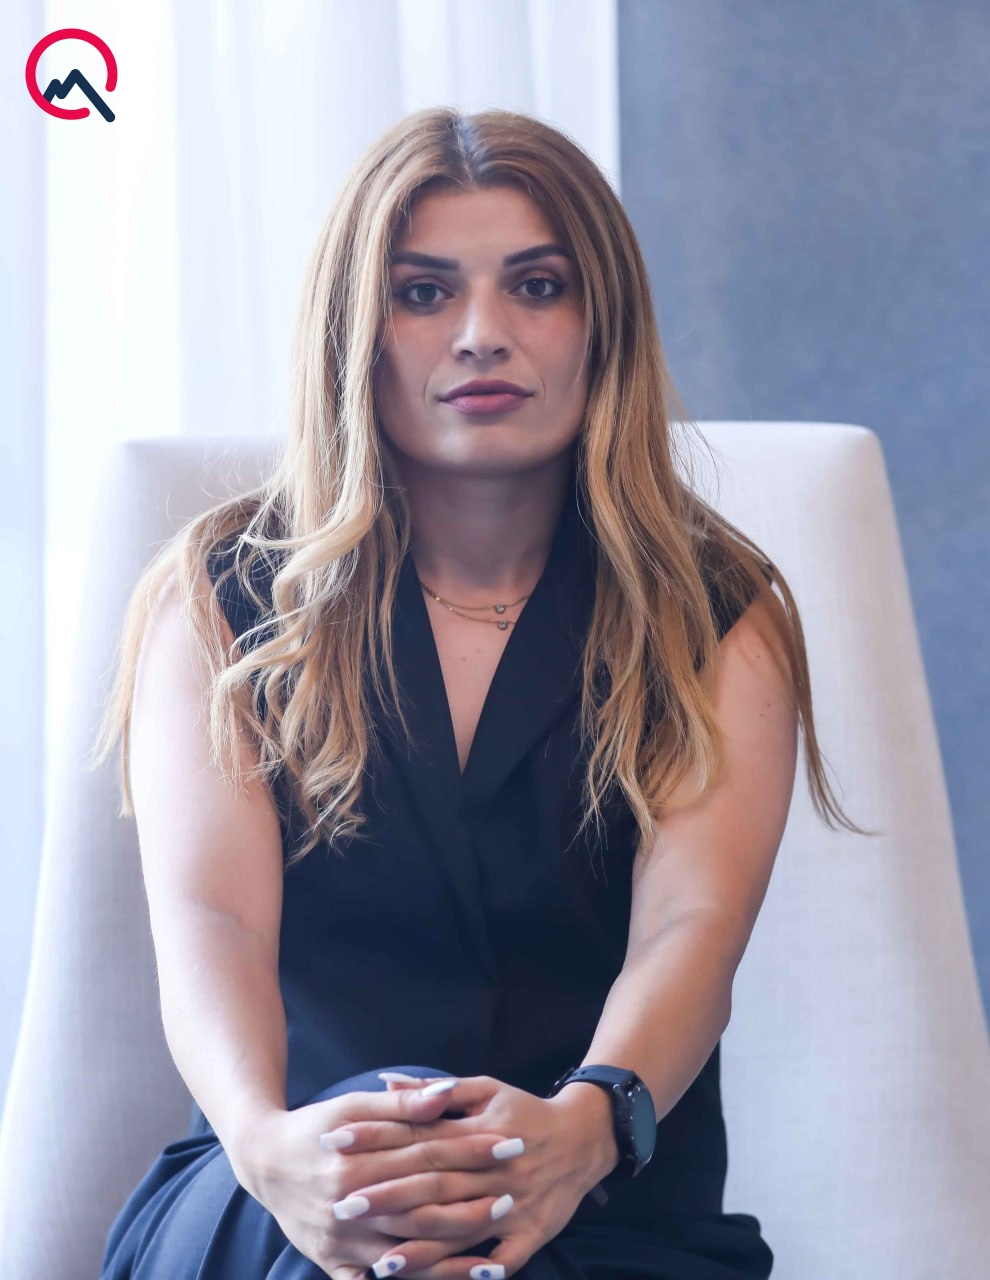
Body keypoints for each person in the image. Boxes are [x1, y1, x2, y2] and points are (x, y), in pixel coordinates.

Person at [93, 107, 866, 1280]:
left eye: (538, 287)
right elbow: (214, 925)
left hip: (602, 1205)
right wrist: (271, 1147)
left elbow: (692, 928)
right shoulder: (221, 596)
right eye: (423, 293)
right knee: (385, 1187)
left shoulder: (714, 610)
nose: (481, 335)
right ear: (355, 330)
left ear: (603, 326)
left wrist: (587, 1125)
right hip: (276, 1193)